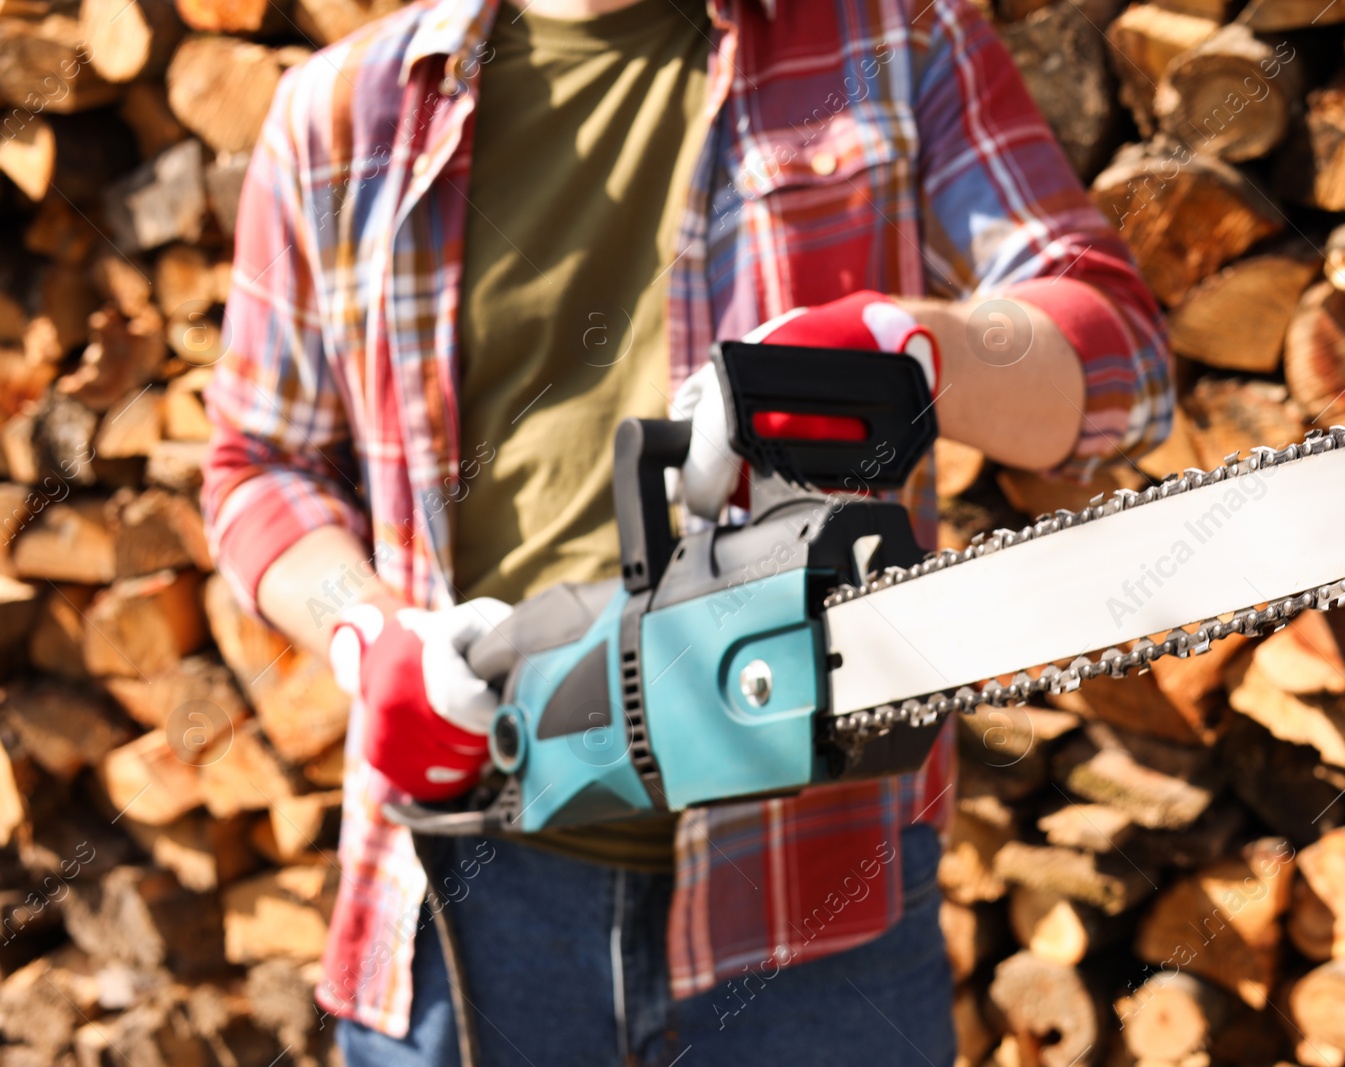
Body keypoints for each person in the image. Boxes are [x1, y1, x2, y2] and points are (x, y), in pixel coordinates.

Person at [201, 0, 1173, 1062]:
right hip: (460, 899)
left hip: (814, 893)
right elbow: (259, 465)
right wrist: (364, 631)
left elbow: (1116, 354)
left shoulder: (889, 35)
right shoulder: (342, 115)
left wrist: (913, 347)